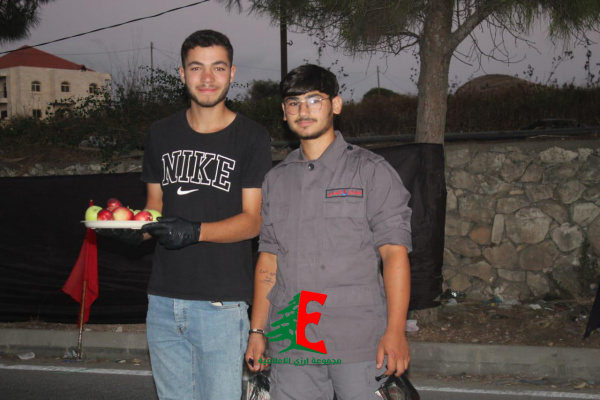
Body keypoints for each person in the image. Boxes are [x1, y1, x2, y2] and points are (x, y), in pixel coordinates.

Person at [101, 30, 272, 399]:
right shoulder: (160, 133)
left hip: (220, 303)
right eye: (196, 67)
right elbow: (155, 206)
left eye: (218, 68)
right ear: (182, 74)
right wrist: (136, 230)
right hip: (163, 300)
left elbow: (253, 220)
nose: (207, 78)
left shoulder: (252, 136)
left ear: (232, 73)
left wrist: (196, 231)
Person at [245, 64, 412, 400]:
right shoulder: (276, 181)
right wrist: (257, 330)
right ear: (284, 112)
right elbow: (269, 261)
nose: (303, 111)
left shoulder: (371, 172)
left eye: (313, 100)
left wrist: (396, 331)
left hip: (358, 337)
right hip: (292, 335)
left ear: (335, 104)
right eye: (293, 103)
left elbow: (394, 253)